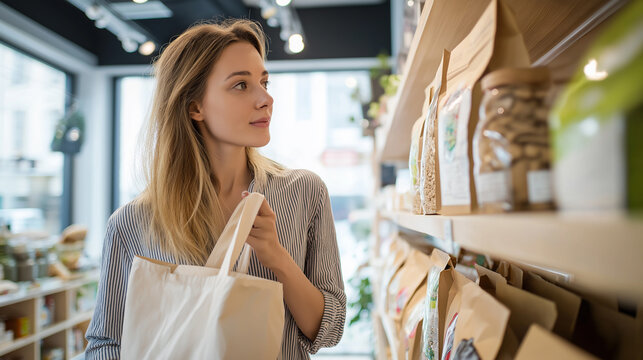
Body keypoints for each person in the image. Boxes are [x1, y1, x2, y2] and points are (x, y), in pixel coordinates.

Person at [85, 19, 346, 359]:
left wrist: (276, 257)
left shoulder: (304, 192)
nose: (265, 98)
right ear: (195, 106)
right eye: (241, 85)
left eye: (264, 82)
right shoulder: (132, 223)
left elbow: (331, 329)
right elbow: (106, 344)